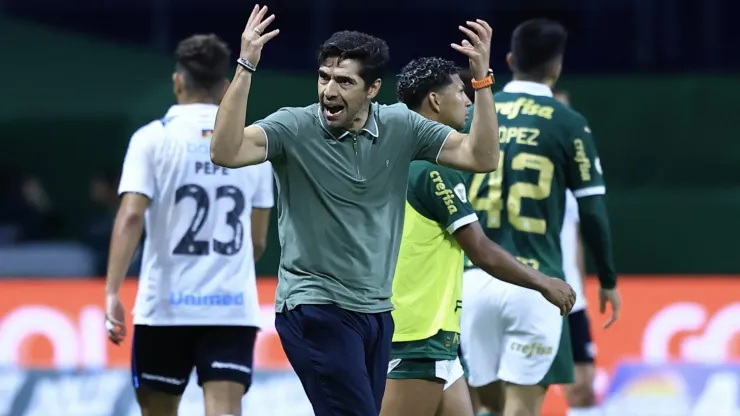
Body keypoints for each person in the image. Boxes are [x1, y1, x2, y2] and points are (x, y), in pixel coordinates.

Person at [210, 5, 501, 416]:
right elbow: (225, 150)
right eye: (324, 78)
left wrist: (482, 82)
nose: (329, 91)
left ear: (373, 88)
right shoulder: (293, 127)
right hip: (314, 307)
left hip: (377, 313)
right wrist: (246, 67)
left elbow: (482, 155)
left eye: (345, 81)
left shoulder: (403, 127)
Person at [380, 57, 575, 416]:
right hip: (418, 333)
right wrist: (543, 282)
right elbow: (481, 250)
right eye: (460, 91)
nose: (468, 101)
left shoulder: (393, 153)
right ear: (435, 102)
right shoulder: (432, 168)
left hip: (430, 334)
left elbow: (483, 155)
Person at [104, 33, 274, 416]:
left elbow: (131, 216)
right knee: (224, 410)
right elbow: (257, 241)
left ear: (177, 81)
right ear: (226, 87)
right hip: (230, 306)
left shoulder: (152, 139)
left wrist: (112, 291)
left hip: (166, 308)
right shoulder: (252, 146)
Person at [460, 19, 622, 416]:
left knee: (485, 409)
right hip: (537, 284)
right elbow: (592, 210)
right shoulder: (569, 123)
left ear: (511, 59)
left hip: (473, 284)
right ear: (557, 66)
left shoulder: (475, 114)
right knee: (522, 409)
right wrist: (607, 280)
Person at [554, 90, 602, 416]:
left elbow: (576, 241)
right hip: (527, 294)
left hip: (572, 301)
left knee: (583, 388)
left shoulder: (575, 178)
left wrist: (582, 290)